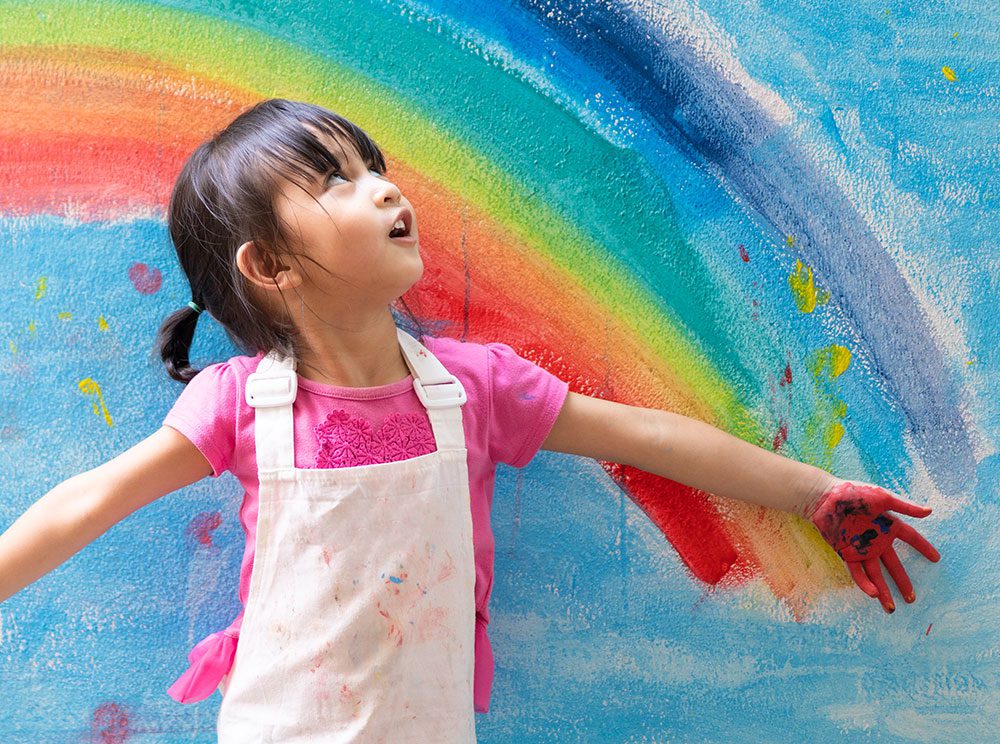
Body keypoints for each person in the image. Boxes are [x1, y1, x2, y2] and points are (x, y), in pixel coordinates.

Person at [0, 97, 940, 742]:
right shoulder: (242, 402)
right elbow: (86, 503)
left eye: (376, 167)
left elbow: (646, 437)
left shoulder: (475, 387)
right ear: (269, 268)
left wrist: (814, 492)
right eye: (336, 180)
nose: (384, 188)